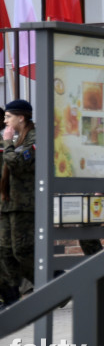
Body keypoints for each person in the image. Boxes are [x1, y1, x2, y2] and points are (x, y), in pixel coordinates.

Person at [0, 100, 34, 309]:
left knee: (21, 250)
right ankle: (12, 299)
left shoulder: (34, 138)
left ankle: (54, 281)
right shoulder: (15, 139)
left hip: (25, 204)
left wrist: (7, 143)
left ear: (21, 118)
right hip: (8, 202)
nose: (5, 121)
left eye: (8, 117)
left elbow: (17, 164)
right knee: (4, 251)